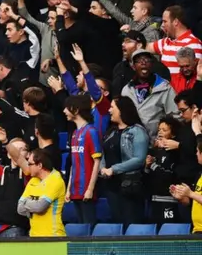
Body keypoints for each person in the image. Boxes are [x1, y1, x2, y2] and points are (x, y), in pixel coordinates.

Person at [100, 97, 150, 226]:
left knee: (131, 222)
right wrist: (103, 168)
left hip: (130, 185)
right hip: (112, 186)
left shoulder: (137, 131)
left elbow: (139, 159)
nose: (109, 110)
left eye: (112, 107)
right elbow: (103, 153)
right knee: (117, 222)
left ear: (121, 110)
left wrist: (113, 169)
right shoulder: (111, 131)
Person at [64, 95, 102, 225]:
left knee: (89, 228)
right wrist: (68, 188)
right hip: (74, 190)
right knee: (80, 228)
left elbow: (97, 162)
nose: (64, 111)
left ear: (76, 109)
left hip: (86, 190)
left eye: (67, 108)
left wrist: (90, 189)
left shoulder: (91, 131)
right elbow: (73, 165)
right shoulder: (74, 133)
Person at [17, 149, 66, 236]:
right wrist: (34, 205)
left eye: (30, 164)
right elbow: (20, 209)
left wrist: (27, 203)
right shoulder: (33, 181)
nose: (28, 167)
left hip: (53, 236)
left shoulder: (55, 180)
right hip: (34, 236)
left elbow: (40, 207)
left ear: (39, 165)